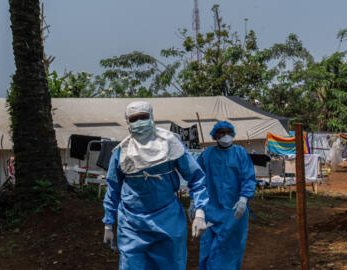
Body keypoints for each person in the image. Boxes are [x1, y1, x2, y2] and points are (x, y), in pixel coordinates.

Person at [102, 101, 209, 270]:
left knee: (170, 264)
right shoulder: (121, 153)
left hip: (168, 220)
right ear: (128, 122)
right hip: (132, 225)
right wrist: (108, 223)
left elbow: (196, 177)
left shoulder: (170, 144)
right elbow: (113, 189)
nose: (139, 122)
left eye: (143, 117)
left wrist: (200, 213)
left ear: (152, 117)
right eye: (134, 119)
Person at [196, 121, 256, 270]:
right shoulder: (207, 154)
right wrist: (195, 203)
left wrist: (243, 199)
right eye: (221, 133)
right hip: (210, 210)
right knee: (207, 248)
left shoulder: (240, 153)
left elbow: (248, 177)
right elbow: (197, 179)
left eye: (228, 132)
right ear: (215, 135)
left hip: (234, 211)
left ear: (233, 134)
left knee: (228, 249)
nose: (225, 136)